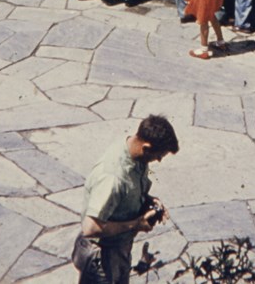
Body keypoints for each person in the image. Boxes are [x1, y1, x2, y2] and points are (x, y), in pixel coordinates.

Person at [72, 116, 179, 284]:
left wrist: (148, 200)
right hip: (102, 256)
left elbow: (126, 191)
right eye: (158, 156)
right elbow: (90, 228)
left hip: (118, 249)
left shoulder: (133, 151)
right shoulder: (112, 176)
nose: (158, 160)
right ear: (147, 148)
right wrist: (135, 224)